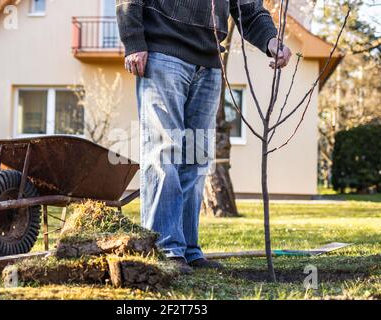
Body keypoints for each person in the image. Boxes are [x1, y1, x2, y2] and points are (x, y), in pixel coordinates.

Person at [116, 0, 292, 274]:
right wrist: (134, 40)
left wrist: (271, 40)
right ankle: (165, 248)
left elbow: (249, 9)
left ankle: (187, 249)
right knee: (164, 152)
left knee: (196, 160)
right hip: (164, 53)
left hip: (209, 63)